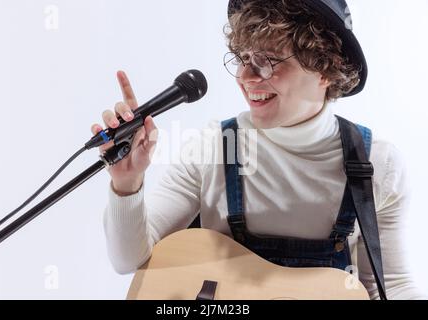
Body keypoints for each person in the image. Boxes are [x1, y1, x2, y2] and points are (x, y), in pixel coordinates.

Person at [92, 0, 425, 299]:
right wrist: (126, 182)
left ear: (325, 68)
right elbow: (129, 261)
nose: (246, 77)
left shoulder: (376, 165)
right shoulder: (212, 149)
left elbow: (389, 286)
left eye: (267, 62)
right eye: (243, 58)